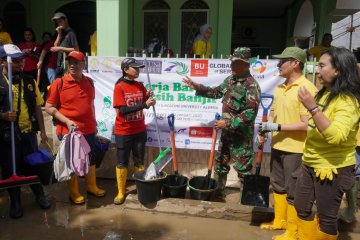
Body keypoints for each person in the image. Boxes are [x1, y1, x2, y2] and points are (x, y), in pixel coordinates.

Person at [296, 47, 360, 239]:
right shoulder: (324, 94)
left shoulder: (348, 101)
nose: (317, 70)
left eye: (322, 66)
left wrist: (313, 108)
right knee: (301, 207)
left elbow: (336, 136)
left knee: (327, 218)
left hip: (333, 167)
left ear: (337, 70)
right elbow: (314, 125)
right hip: (310, 162)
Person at [183, 47, 261, 201]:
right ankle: (219, 194)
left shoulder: (251, 86)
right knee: (220, 165)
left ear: (245, 64)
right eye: (232, 63)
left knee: (243, 170)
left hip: (241, 136)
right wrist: (198, 87)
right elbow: (216, 92)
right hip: (226, 134)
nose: (231, 66)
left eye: (235, 63)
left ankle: (245, 200)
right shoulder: (230, 80)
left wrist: (228, 123)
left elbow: (250, 113)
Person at [258, 47, 318, 239]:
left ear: (295, 63)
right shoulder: (280, 87)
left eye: (283, 60)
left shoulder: (306, 89)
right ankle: (280, 221)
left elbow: (305, 125)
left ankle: (293, 231)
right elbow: (273, 112)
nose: (279, 64)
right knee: (277, 185)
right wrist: (267, 127)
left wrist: (277, 126)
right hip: (278, 145)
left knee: (294, 189)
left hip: (296, 149)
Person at [45, 51, 105, 204]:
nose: (72, 65)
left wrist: (94, 123)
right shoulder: (60, 83)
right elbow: (49, 107)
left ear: (83, 64)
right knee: (72, 162)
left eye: (76, 62)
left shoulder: (89, 82)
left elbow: (90, 105)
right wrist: (66, 121)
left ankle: (91, 186)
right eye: (70, 62)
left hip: (89, 129)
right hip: (69, 131)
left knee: (90, 159)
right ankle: (74, 193)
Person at [0, 44, 51, 219]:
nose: (20, 63)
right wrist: (3, 116)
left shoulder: (29, 81)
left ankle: (39, 195)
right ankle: (15, 201)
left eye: (21, 59)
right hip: (6, 137)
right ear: (3, 62)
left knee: (32, 166)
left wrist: (43, 131)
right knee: (10, 170)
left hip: (28, 134)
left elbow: (38, 107)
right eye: (15, 60)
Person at [113, 57, 156, 205]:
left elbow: (146, 103)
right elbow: (123, 110)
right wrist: (145, 104)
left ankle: (139, 188)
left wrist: (149, 98)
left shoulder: (139, 85)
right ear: (125, 70)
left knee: (139, 160)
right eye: (135, 68)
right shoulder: (119, 87)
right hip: (124, 131)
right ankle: (120, 192)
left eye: (139, 68)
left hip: (139, 130)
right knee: (122, 162)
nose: (138, 70)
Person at [50, 12, 79, 77]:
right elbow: (55, 46)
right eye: (57, 22)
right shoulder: (61, 32)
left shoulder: (71, 33)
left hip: (67, 62)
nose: (59, 24)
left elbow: (76, 49)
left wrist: (60, 48)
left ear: (66, 20)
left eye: (60, 21)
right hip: (60, 62)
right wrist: (59, 34)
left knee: (66, 81)